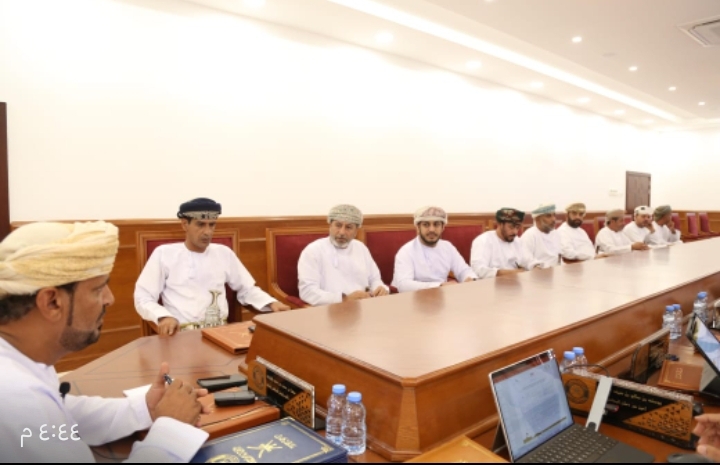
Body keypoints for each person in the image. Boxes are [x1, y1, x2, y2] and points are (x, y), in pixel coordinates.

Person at [0, 221, 210, 462]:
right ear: (52, 302)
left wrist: (146, 408)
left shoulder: (23, 362)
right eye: (98, 289)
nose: (109, 299)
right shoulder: (14, 398)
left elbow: (63, 414)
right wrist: (172, 429)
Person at [135, 198, 289, 336]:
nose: (207, 232)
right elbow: (143, 297)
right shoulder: (164, 254)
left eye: (212, 225)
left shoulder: (223, 253)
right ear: (185, 224)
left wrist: (271, 303)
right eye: (200, 224)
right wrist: (164, 317)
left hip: (221, 333)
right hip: (180, 335)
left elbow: (247, 289)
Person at [298, 205, 388, 305]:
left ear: (356, 230)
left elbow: (375, 279)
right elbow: (307, 292)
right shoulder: (313, 251)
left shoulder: (360, 248)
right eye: (338, 225)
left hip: (364, 307)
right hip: (330, 309)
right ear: (330, 225)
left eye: (348, 227)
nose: (342, 232)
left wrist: (379, 289)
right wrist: (344, 299)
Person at [392, 206, 478, 292]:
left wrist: (470, 279)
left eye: (436, 224)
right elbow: (403, 285)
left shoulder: (447, 247)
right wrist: (439, 286)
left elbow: (463, 270)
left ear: (443, 227)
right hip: (412, 298)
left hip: (442, 296)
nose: (432, 229)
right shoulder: (406, 251)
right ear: (418, 227)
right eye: (426, 224)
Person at [470, 208, 532, 279]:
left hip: (516, 282)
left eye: (517, 228)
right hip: (491, 283)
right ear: (499, 224)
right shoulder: (483, 241)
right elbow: (478, 270)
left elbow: (528, 261)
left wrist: (535, 266)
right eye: (511, 227)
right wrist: (512, 273)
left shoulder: (517, 241)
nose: (515, 232)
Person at [521, 203, 562, 269]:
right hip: (539, 272)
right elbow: (526, 260)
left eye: (554, 215)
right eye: (548, 216)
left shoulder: (555, 233)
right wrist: (539, 267)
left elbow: (560, 256)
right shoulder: (529, 235)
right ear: (537, 219)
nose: (553, 219)